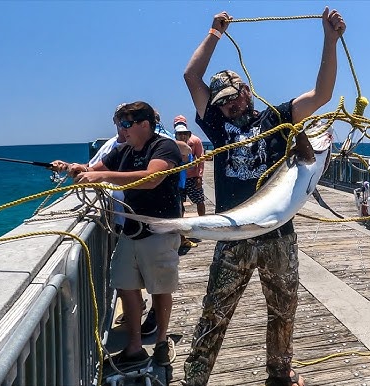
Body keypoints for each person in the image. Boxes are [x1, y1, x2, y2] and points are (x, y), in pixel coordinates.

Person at [181, 7, 346, 386]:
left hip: (278, 236)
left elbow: (322, 94)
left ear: (247, 92)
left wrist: (330, 39)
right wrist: (213, 34)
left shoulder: (277, 117)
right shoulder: (218, 126)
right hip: (233, 235)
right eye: (223, 102)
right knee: (215, 311)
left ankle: (279, 374)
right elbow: (191, 76)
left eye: (235, 99)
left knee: (283, 309)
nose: (231, 106)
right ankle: (194, 377)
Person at [51, 101, 183, 369]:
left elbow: (151, 178)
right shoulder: (122, 151)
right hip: (129, 231)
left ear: (144, 124)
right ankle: (134, 348)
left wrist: (104, 178)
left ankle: (160, 341)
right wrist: (70, 167)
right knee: (126, 286)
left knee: (160, 288)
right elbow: (93, 169)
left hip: (158, 230)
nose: (122, 131)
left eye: (126, 124)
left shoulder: (163, 147)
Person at [173, 115, 206, 217]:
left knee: (199, 200)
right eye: (179, 133)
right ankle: (180, 227)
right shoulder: (170, 141)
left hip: (192, 177)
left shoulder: (195, 141)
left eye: (184, 133)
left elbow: (201, 158)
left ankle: (203, 222)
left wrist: (199, 176)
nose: (182, 136)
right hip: (177, 178)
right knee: (178, 204)